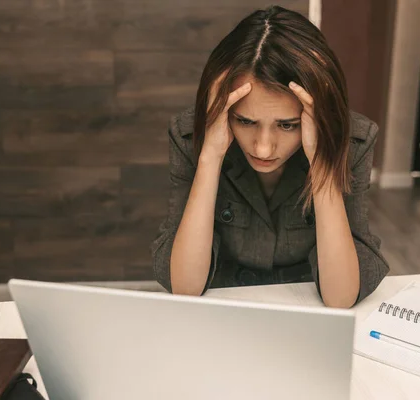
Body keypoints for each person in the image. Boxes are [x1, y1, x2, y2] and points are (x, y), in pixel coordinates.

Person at [151, 5, 388, 308]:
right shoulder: (192, 136)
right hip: (225, 308)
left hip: (308, 307)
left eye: (287, 125)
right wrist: (210, 155)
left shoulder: (352, 141)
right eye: (245, 121)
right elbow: (184, 287)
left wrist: (321, 158)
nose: (263, 148)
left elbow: (341, 297)